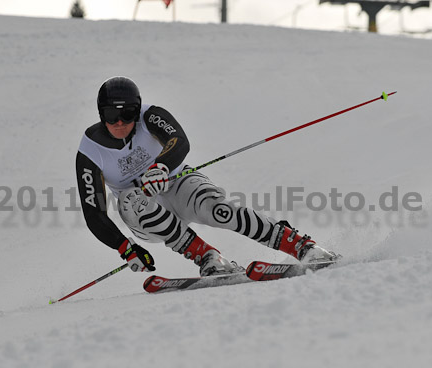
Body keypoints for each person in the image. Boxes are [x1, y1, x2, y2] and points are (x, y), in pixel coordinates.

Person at [76, 76, 337, 276]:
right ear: (101, 113)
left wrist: (161, 166)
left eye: (128, 113)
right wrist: (125, 247)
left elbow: (179, 140)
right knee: (134, 199)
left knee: (218, 210)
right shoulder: (90, 149)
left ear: (138, 109)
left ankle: (302, 247)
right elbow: (94, 213)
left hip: (175, 181)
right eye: (112, 114)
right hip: (141, 210)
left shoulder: (151, 116)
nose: (120, 122)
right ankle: (208, 257)